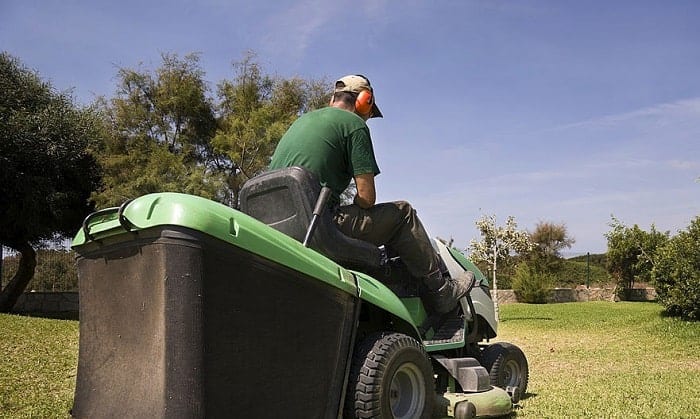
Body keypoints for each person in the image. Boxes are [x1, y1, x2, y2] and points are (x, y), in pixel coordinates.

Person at [269, 74, 470, 315]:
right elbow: (366, 197)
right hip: (317, 227)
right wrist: (354, 205)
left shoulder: (301, 122)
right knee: (403, 213)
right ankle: (441, 291)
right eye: (369, 111)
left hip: (276, 228)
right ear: (364, 101)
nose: (368, 118)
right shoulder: (354, 125)